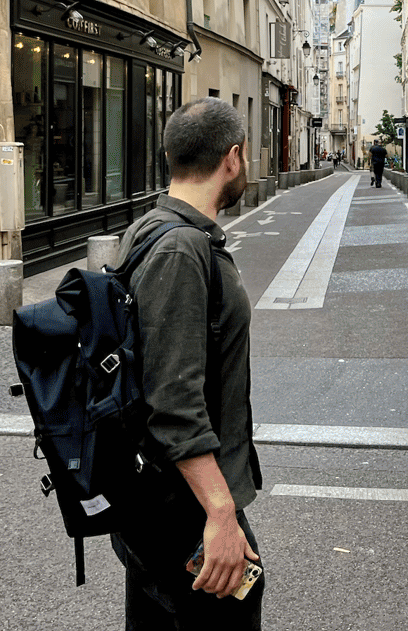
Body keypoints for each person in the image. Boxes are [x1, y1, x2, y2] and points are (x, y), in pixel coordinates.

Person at [110, 97, 265, 630]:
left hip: (161, 497)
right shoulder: (178, 249)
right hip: (185, 504)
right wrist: (221, 515)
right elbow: (173, 402)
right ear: (233, 158)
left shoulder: (157, 230)